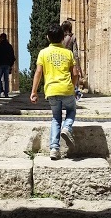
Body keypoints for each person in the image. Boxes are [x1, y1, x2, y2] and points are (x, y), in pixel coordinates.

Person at [30, 24, 79, 159]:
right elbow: (75, 73)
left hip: (51, 90)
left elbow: (38, 73)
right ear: (63, 38)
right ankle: (67, 127)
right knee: (71, 110)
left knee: (56, 118)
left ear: (47, 38)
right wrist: (73, 87)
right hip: (67, 89)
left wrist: (33, 92)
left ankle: (54, 148)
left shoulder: (43, 53)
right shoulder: (68, 53)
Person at [61, 19, 82, 97]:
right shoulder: (72, 37)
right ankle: (72, 92)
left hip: (60, 59)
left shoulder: (59, 37)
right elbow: (75, 52)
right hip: (69, 60)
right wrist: (77, 65)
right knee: (72, 77)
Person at [0, 32, 15, 97]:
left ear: (1, 38)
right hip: (7, 64)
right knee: (6, 79)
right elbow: (12, 57)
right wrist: (10, 65)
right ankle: (6, 93)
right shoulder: (9, 46)